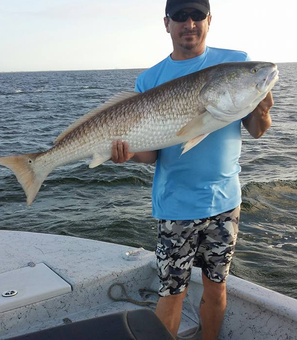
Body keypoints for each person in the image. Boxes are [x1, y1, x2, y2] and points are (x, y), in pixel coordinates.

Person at [111, 0, 274, 339]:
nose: (190, 23)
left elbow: (258, 130)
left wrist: (263, 111)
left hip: (225, 203)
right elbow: (151, 156)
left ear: (209, 20)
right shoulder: (150, 79)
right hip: (175, 206)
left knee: (216, 289)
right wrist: (126, 154)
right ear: (167, 23)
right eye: (181, 16)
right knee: (171, 293)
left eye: (197, 15)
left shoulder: (236, 64)